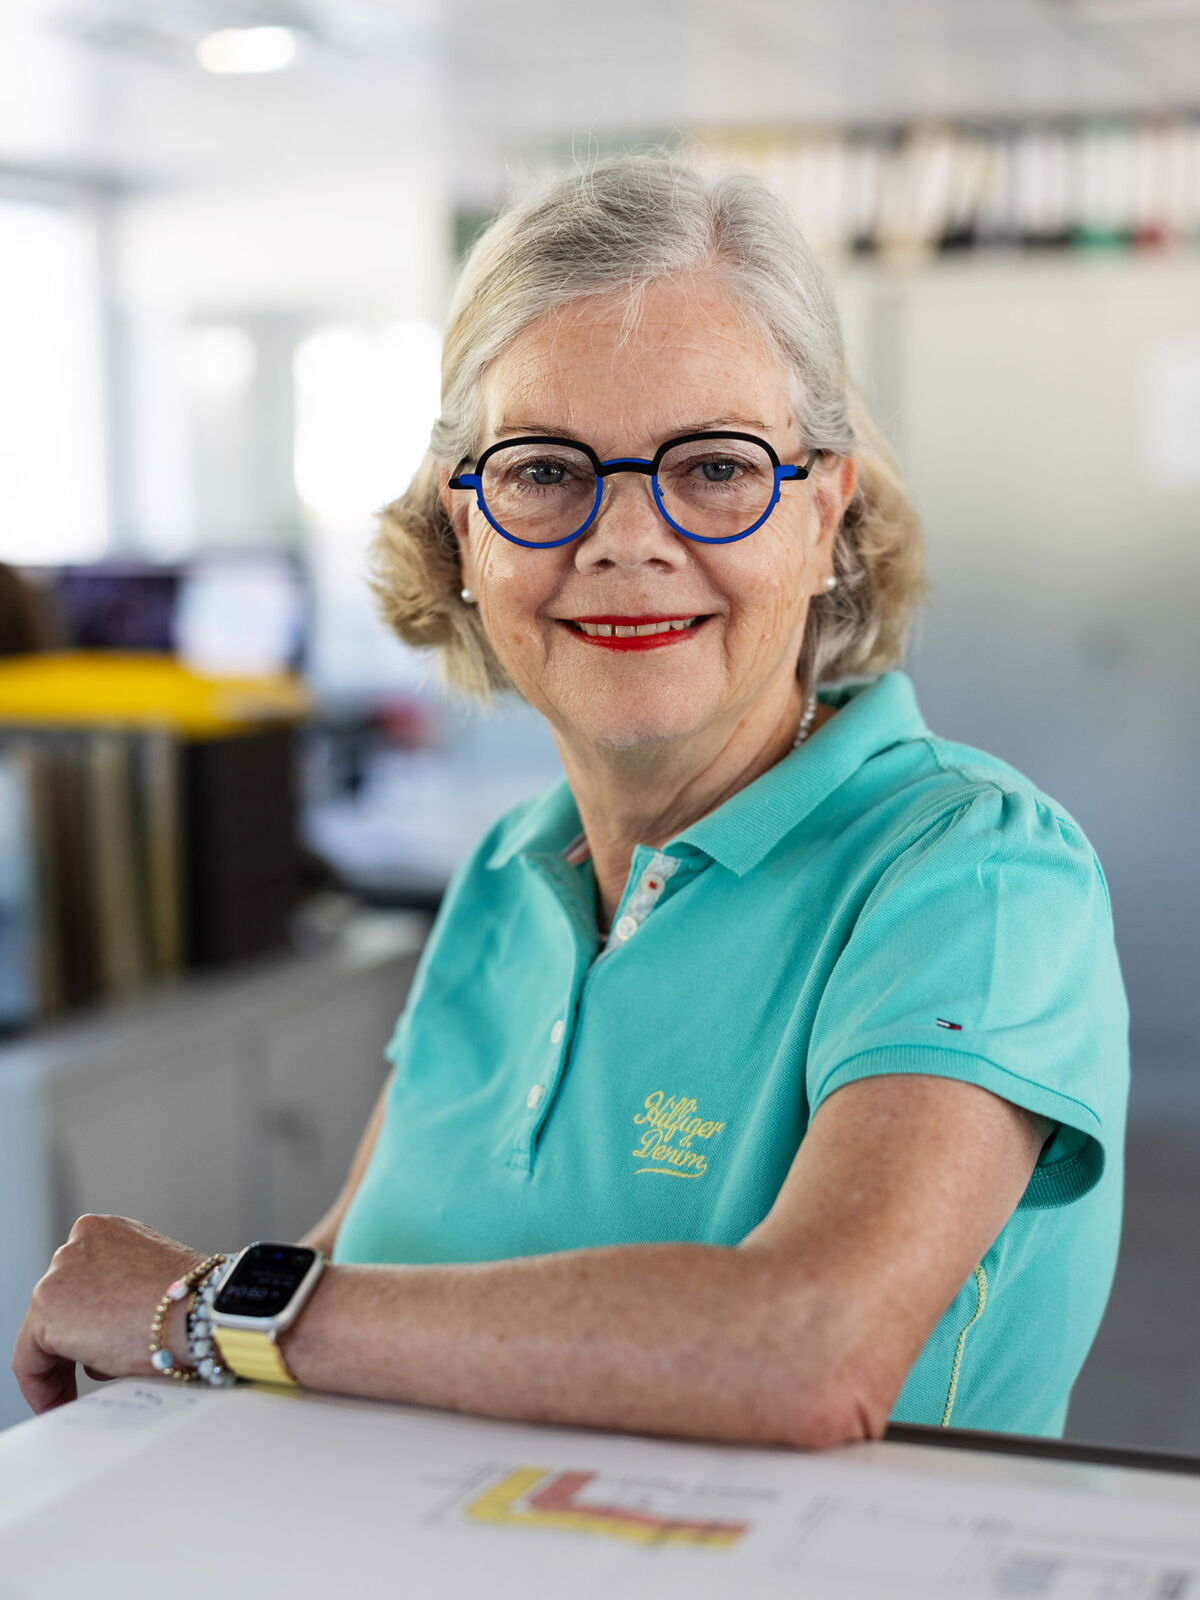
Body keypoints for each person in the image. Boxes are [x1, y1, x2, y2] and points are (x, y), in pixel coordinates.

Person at [13, 151, 1129, 1446]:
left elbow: (809, 1351)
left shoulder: (976, 871)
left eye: (712, 465)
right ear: (463, 533)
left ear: (825, 516)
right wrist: (207, 1343)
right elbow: (357, 1269)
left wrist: (202, 1309)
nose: (626, 538)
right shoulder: (508, 870)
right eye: (545, 469)